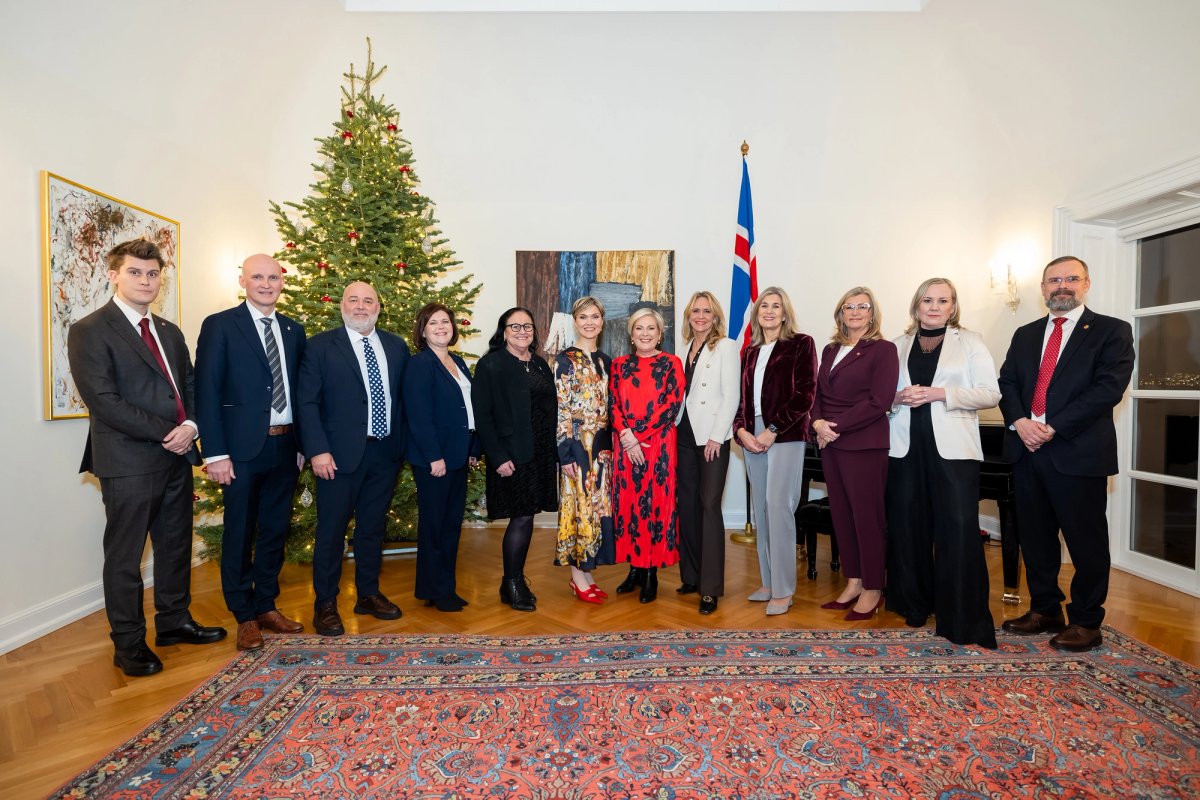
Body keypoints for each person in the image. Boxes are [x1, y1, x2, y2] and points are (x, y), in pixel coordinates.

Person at [67, 239, 226, 677]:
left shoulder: (169, 332)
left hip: (177, 457)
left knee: (175, 547)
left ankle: (174, 623)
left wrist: (191, 426)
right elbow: (104, 400)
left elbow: (190, 386)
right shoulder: (90, 329)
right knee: (125, 557)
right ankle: (129, 644)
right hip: (127, 461)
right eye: (135, 272)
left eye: (152, 274)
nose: (145, 280)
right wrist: (167, 433)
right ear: (114, 275)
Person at [998, 256, 1134, 652]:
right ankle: (1045, 610)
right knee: (1036, 538)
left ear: (1086, 284)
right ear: (1043, 288)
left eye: (1071, 278)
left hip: (1077, 451)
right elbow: (1007, 383)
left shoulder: (1111, 330)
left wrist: (1052, 426)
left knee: (1085, 542)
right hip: (1026, 450)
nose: (1062, 286)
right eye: (1054, 280)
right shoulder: (1025, 333)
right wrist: (1020, 422)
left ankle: (1087, 621)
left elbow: (1108, 388)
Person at [194, 254, 306, 651]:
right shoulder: (221, 325)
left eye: (273, 277)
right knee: (239, 532)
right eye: (257, 277)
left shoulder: (293, 329)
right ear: (243, 281)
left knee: (275, 530)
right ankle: (244, 616)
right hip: (240, 451)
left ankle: (266, 606)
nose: (266, 284)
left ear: (282, 283)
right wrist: (215, 453)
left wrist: (303, 445)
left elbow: (302, 392)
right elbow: (206, 390)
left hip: (286, 446)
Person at [886, 278, 1000, 648]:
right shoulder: (896, 345)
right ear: (916, 305)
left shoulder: (971, 341)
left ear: (953, 307)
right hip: (904, 449)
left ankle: (962, 618)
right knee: (908, 529)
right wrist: (896, 398)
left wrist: (939, 394)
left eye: (942, 301)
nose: (934, 307)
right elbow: (881, 396)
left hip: (953, 452)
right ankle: (915, 605)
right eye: (927, 300)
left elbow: (990, 393)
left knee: (958, 531)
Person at [297, 281, 409, 636]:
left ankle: (368, 594)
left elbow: (402, 399)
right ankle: (326, 604)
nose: (361, 306)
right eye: (354, 300)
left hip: (385, 453)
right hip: (336, 456)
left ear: (379, 307)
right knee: (331, 532)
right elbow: (307, 402)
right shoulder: (319, 346)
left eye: (368, 300)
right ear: (342, 305)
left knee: (372, 529)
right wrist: (317, 449)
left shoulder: (396, 346)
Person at [812, 286, 898, 621]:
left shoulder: (883, 350)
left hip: (864, 443)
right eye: (849, 306)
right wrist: (817, 422)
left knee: (867, 518)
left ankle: (874, 587)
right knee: (842, 516)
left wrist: (833, 426)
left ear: (872, 313)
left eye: (863, 306)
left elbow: (880, 401)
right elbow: (817, 393)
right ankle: (854, 581)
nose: (856, 312)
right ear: (840, 313)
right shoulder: (831, 349)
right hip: (831, 443)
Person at [732, 287, 818, 617]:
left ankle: (784, 591)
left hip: (785, 432)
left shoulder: (801, 343)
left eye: (776, 306)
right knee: (762, 509)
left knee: (779, 506)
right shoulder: (750, 352)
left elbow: (805, 394)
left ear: (784, 314)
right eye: (764, 305)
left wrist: (772, 429)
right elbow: (742, 400)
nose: (769, 310)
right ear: (757, 314)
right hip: (752, 434)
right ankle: (768, 582)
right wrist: (741, 431)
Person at [472, 307, 559, 612]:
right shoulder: (490, 364)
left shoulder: (539, 364)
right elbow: (482, 416)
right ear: (504, 331)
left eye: (528, 326)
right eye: (515, 326)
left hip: (540, 453)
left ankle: (514, 580)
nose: (523, 331)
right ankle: (511, 583)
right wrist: (497, 456)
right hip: (511, 454)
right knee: (520, 517)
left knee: (528, 515)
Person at [403, 303, 480, 613]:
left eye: (445, 322)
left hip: (458, 454)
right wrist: (434, 457)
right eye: (433, 323)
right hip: (435, 460)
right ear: (423, 331)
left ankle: (444, 588)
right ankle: (433, 589)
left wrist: (473, 448)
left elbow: (468, 409)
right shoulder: (419, 364)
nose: (440, 327)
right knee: (434, 526)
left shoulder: (457, 362)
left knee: (450, 525)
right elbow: (418, 415)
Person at [610, 307, 685, 604]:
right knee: (629, 505)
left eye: (650, 328)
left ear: (659, 333)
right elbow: (613, 404)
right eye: (639, 328)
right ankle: (634, 569)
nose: (645, 333)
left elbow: (671, 406)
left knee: (653, 505)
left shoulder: (671, 363)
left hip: (659, 445)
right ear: (631, 334)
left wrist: (637, 436)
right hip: (625, 445)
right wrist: (627, 437)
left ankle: (651, 571)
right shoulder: (619, 365)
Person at [675, 291, 741, 615]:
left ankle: (710, 588)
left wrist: (717, 436)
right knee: (687, 505)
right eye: (695, 311)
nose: (700, 316)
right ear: (688, 316)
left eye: (707, 311)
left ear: (715, 317)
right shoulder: (683, 349)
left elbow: (731, 395)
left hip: (712, 437)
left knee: (709, 505)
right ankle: (692, 576)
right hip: (683, 435)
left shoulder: (726, 346)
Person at [554, 296, 616, 604]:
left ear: (602, 321)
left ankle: (587, 572)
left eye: (594, 317)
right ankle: (577, 576)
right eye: (583, 317)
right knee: (578, 507)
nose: (589, 322)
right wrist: (564, 452)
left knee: (596, 508)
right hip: (576, 445)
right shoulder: (565, 359)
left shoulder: (606, 360)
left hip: (603, 447)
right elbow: (561, 408)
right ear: (575, 321)